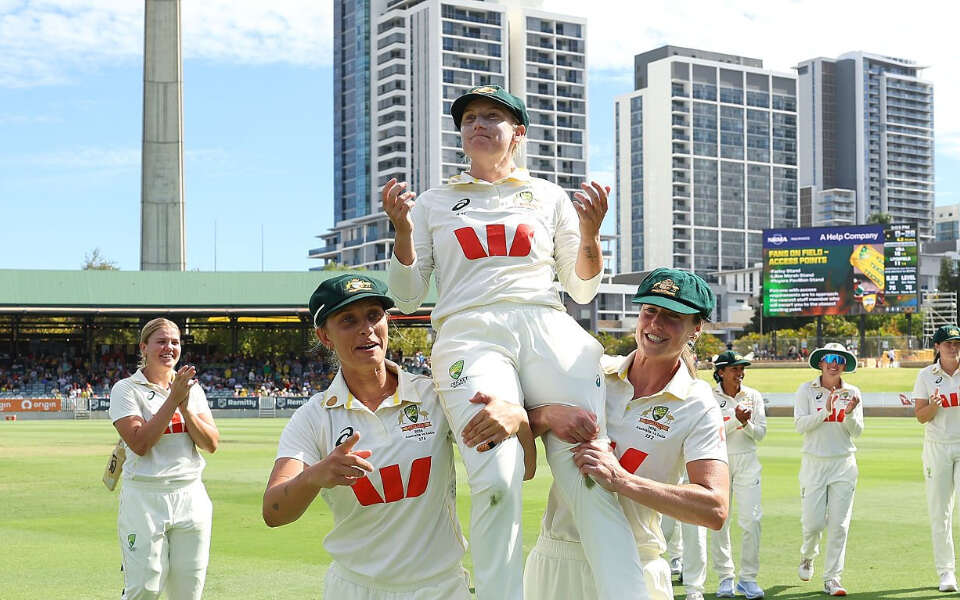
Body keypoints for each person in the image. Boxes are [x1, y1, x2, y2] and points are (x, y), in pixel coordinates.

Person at [383, 84, 642, 599]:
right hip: (469, 333)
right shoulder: (433, 202)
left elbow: (582, 288)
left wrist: (591, 234)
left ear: (518, 133)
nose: (478, 124)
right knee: (497, 478)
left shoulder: (548, 196)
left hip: (547, 326)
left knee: (590, 474)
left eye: (491, 117)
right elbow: (407, 297)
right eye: (469, 118)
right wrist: (403, 232)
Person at [262, 274, 535, 599]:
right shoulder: (314, 416)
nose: (366, 329)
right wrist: (314, 476)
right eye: (348, 320)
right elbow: (274, 512)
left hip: (440, 589)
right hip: (354, 590)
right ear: (325, 335)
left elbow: (525, 470)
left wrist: (520, 419)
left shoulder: (435, 395)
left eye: (374, 315)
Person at [523, 268, 730, 600]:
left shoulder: (697, 402)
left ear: (696, 328)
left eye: (673, 316)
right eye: (650, 310)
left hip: (636, 561)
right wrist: (546, 415)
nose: (655, 324)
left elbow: (714, 509)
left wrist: (621, 480)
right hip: (558, 556)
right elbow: (512, 435)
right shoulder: (592, 370)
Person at [109, 318, 220, 600]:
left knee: (188, 590)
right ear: (143, 348)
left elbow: (210, 443)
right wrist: (173, 400)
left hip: (190, 494)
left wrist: (185, 406)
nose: (169, 347)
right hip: (145, 496)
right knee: (145, 589)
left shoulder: (192, 390)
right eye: (161, 341)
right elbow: (140, 443)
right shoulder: (126, 389)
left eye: (175, 342)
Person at [794, 342, 863, 596]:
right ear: (821, 362)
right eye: (830, 359)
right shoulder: (806, 390)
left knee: (839, 525)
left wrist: (849, 414)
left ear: (844, 365)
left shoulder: (853, 392)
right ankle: (808, 555)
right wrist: (826, 411)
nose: (835, 364)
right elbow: (800, 425)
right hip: (814, 463)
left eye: (840, 360)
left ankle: (832, 578)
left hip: (843, 463)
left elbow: (857, 431)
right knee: (812, 524)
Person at [709, 351, 766, 599]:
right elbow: (711, 433)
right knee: (720, 521)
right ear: (721, 372)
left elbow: (760, 434)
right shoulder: (709, 397)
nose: (740, 373)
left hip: (747, 461)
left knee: (752, 520)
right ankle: (725, 578)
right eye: (734, 369)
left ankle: (748, 579)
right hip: (719, 462)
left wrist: (746, 423)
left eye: (742, 369)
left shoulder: (753, 396)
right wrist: (736, 419)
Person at [912, 324, 960, 592]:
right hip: (937, 447)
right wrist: (934, 406)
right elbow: (921, 416)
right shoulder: (926, 375)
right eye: (948, 343)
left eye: (957, 343)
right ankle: (946, 572)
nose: (954, 348)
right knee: (940, 512)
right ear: (938, 347)